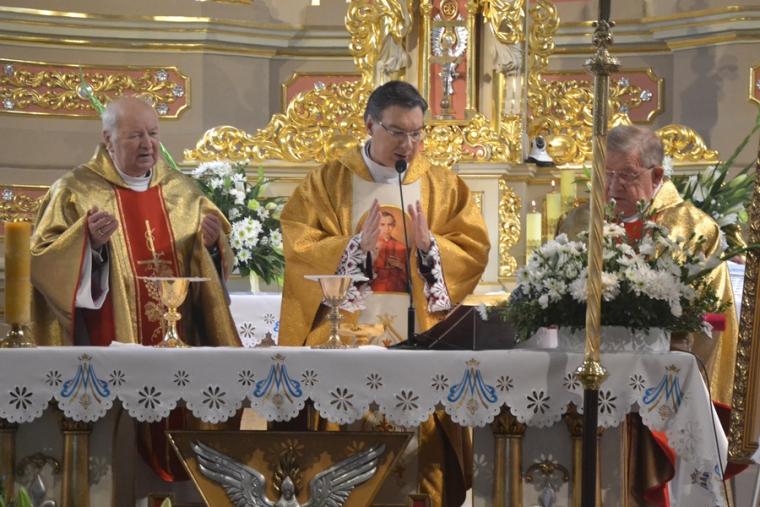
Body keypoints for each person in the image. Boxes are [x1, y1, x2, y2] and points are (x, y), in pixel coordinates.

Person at [280, 80, 490, 507]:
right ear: (369, 125)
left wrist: (431, 247)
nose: (407, 145)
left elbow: (473, 250)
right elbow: (298, 246)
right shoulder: (327, 182)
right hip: (345, 341)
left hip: (420, 340)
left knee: (420, 470)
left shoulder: (443, 186)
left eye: (416, 133)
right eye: (396, 132)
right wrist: (354, 247)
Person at [30, 96, 240, 481]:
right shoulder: (74, 191)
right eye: (135, 136)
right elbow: (44, 262)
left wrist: (211, 246)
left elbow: (213, 274)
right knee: (116, 468)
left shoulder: (183, 193)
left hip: (179, 349)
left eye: (153, 134)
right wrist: (87, 245)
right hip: (107, 344)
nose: (147, 144)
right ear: (107, 139)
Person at [559, 124, 737, 506]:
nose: (613, 186)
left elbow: (710, 318)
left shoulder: (692, 228)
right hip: (584, 386)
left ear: (657, 176)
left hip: (663, 388)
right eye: (605, 174)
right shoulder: (578, 223)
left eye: (626, 175)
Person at [371, 210, 408, 293]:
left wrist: (401, 266)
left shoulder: (401, 247)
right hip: (375, 291)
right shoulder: (370, 245)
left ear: (394, 226)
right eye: (382, 225)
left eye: (390, 225)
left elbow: (412, 276)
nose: (386, 229)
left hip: (397, 290)